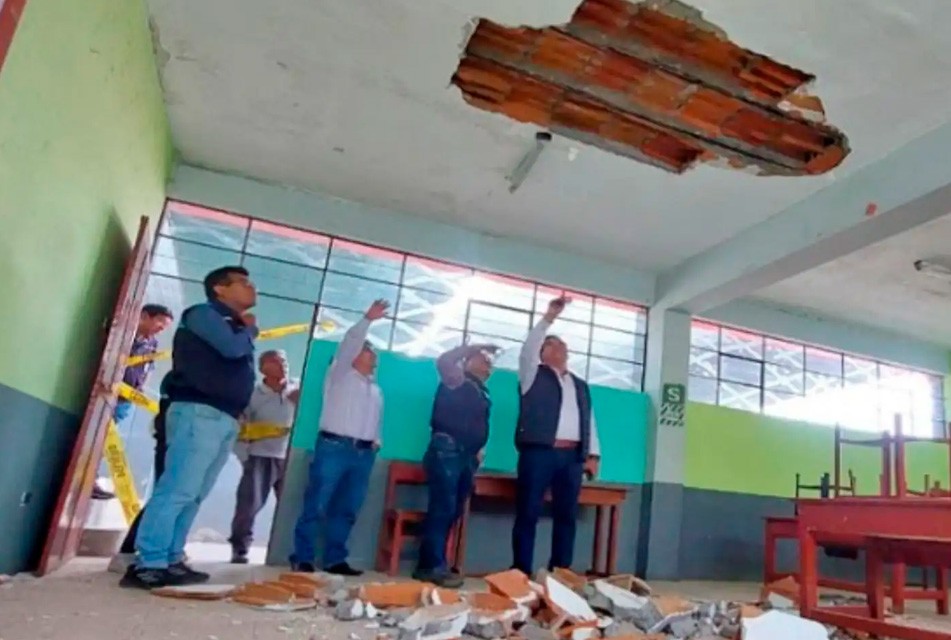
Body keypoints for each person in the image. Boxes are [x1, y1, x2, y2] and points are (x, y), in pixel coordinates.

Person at [120, 266, 259, 590]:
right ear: (219, 289)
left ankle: (171, 558)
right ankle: (148, 563)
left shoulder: (233, 324)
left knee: (194, 494)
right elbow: (231, 349)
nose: (252, 288)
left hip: (222, 417)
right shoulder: (203, 314)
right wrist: (250, 330)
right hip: (198, 413)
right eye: (242, 283)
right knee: (177, 490)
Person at [289, 299, 388, 575]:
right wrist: (367, 320)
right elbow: (350, 342)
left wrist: (375, 441)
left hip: (364, 454)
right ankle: (303, 557)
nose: (372, 354)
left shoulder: (376, 390)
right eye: (368, 350)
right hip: (334, 447)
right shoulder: (340, 374)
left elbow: (374, 420)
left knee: (347, 508)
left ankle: (335, 559)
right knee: (317, 503)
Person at [511, 295, 601, 575]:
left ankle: (561, 571)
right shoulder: (531, 375)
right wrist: (549, 317)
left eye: (561, 344)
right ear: (541, 352)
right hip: (539, 452)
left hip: (572, 456)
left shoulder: (580, 385)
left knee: (566, 515)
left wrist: (592, 454)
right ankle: (521, 571)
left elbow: (588, 419)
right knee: (528, 511)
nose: (557, 346)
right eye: (550, 344)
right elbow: (527, 349)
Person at [413, 342, 499, 588]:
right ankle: (431, 566)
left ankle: (435, 562)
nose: (488, 365)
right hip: (447, 451)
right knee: (443, 508)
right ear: (468, 361)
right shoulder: (457, 379)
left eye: (490, 363)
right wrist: (474, 347)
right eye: (483, 360)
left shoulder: (481, 391)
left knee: (452, 511)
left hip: (466, 456)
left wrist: (478, 450)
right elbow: (444, 361)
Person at [94, 304, 174, 500]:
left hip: (125, 400)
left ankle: (89, 476)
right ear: (144, 316)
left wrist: (138, 388)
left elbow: (147, 366)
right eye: (160, 323)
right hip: (105, 393)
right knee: (94, 435)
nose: (161, 329)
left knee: (104, 439)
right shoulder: (124, 335)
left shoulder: (152, 344)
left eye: (165, 327)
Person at [229, 350, 300, 564]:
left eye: (284, 361)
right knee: (249, 505)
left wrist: (302, 402)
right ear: (263, 369)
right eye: (276, 362)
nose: (283, 365)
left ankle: (291, 550)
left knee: (292, 505)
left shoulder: (299, 389)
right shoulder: (254, 395)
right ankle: (240, 548)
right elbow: (240, 427)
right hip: (260, 455)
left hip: (291, 457)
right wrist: (244, 456)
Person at [108, 396, 170, 574]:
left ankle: (143, 551)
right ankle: (129, 551)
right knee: (166, 497)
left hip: (171, 434)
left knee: (169, 498)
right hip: (173, 436)